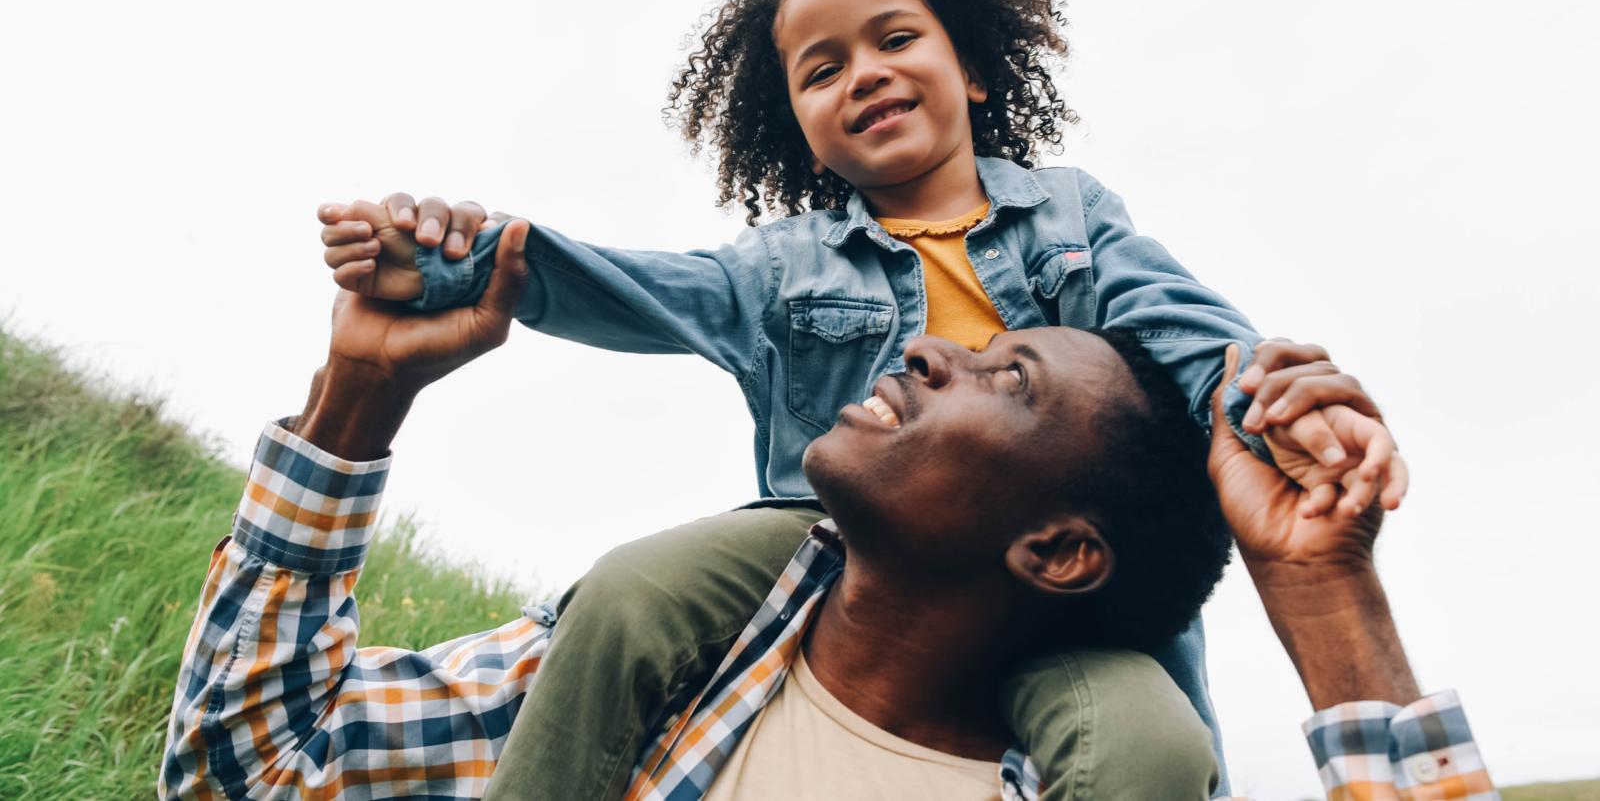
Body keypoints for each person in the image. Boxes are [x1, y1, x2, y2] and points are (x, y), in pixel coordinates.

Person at [314, 0, 1408, 797]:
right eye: (822, 69)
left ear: (971, 70)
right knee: (633, 590)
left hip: (1057, 576)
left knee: (1154, 745)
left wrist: (1274, 403)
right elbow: (629, 285)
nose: (864, 74)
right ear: (798, 125)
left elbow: (1181, 325)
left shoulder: (1071, 215)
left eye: (894, 40)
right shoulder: (782, 266)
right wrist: (458, 259)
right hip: (828, 547)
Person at [158, 228, 1490, 799]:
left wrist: (1324, 592)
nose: (926, 350)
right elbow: (255, 773)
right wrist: (358, 395)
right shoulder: (642, 675)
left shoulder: (1086, 775)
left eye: (1002, 377)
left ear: (1060, 549)